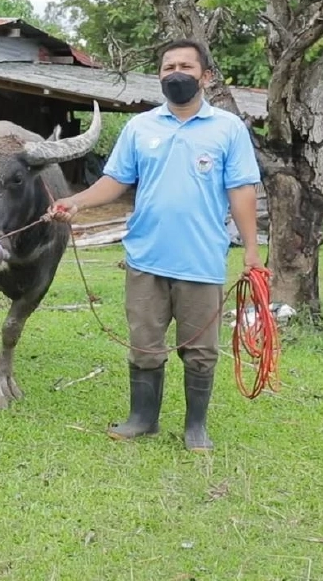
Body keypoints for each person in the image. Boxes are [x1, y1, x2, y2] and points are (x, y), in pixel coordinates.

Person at [50, 39, 263, 452]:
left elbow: (242, 192)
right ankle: (142, 419)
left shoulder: (228, 129)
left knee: (200, 351)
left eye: (185, 65)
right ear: (159, 76)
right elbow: (116, 181)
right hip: (146, 257)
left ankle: (195, 426)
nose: (176, 73)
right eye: (168, 67)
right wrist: (74, 201)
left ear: (207, 76)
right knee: (144, 344)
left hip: (201, 259)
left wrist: (252, 250)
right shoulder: (140, 127)